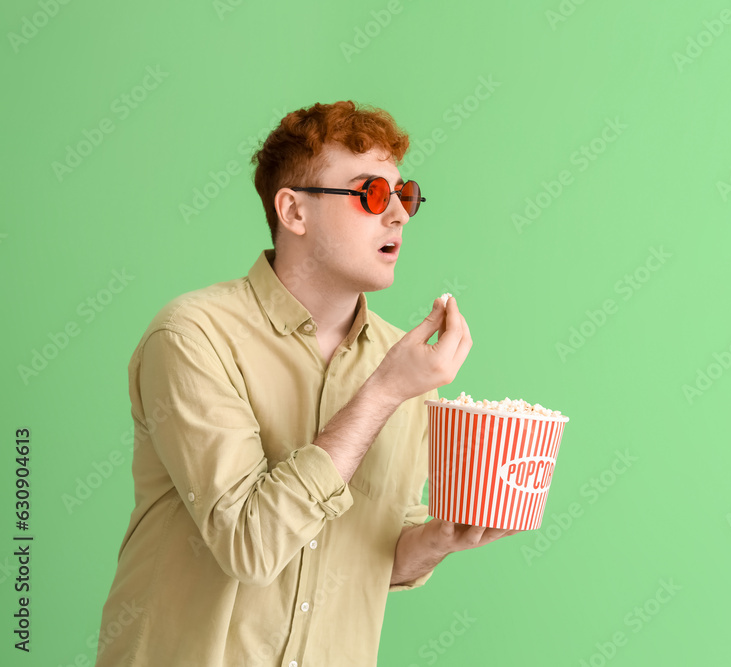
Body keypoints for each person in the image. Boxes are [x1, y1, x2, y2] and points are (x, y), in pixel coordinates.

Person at [95, 101, 518, 666]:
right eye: (371, 194)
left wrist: (442, 538)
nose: (398, 215)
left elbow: (364, 555)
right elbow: (249, 545)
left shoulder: (407, 365)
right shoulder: (193, 336)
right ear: (293, 211)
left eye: (405, 195)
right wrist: (384, 392)